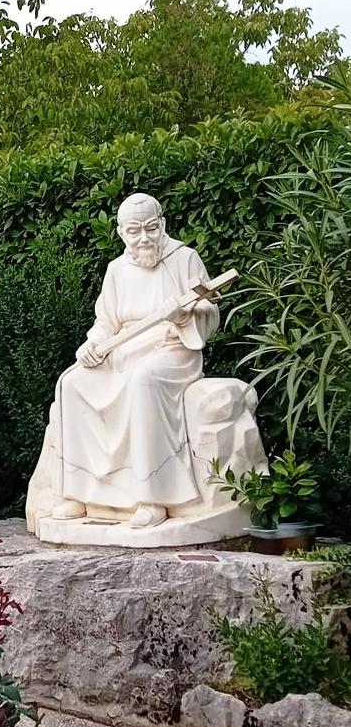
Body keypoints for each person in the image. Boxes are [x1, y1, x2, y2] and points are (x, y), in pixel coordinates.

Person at [36, 193, 220, 529]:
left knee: (143, 381)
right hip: (124, 349)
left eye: (151, 228)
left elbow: (208, 311)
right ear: (121, 233)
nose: (144, 237)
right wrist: (92, 344)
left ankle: (153, 497)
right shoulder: (117, 270)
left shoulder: (184, 259)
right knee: (73, 383)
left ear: (162, 224)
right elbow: (106, 322)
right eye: (134, 231)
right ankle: (82, 493)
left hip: (171, 350)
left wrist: (182, 316)